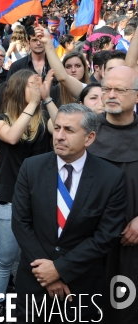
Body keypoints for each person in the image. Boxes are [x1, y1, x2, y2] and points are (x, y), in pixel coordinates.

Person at [12, 104, 127, 322]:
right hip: (35, 281)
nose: (60, 136)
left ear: (90, 137)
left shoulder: (110, 178)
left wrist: (60, 269)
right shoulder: (31, 168)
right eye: (57, 128)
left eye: (69, 130)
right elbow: (20, 222)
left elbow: (106, 236)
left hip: (82, 285)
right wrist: (47, 274)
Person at [0, 69, 56, 317]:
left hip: (40, 201)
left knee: (35, 258)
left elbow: (61, 125)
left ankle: (33, 306)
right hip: (9, 201)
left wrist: (48, 99)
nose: (38, 88)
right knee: (5, 258)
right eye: (33, 84)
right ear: (21, 88)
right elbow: (12, 137)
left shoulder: (43, 119)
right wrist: (33, 104)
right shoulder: (1, 118)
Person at [86, 66, 138, 323]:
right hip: (89, 241)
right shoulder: (84, 131)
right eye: (107, 89)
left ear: (137, 96)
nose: (112, 94)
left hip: (133, 243)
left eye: (121, 89)